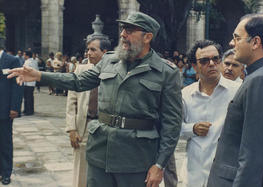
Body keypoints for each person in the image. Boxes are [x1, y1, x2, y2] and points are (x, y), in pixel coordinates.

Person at [8, 12, 182, 187]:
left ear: (147, 37)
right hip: (100, 153)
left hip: (136, 159)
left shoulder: (166, 72)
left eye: (129, 30)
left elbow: (172, 124)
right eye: (123, 29)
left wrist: (159, 165)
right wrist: (39, 75)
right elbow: (78, 81)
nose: (122, 34)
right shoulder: (109, 61)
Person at [207, 13, 263, 187]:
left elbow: (253, 155)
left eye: (237, 38)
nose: (232, 43)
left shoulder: (261, 81)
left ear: (255, 42)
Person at [181, 40, 240, 187]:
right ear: (195, 66)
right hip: (194, 172)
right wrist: (192, 129)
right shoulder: (185, 95)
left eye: (215, 58)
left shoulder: (238, 91)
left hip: (227, 174)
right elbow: (173, 128)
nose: (212, 63)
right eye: (205, 60)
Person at [65, 36, 110, 187]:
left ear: (105, 52)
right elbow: (72, 101)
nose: (88, 53)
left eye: (93, 50)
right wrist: (71, 128)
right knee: (81, 172)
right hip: (84, 127)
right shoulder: (81, 69)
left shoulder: (115, 71)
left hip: (106, 129)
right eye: (87, 49)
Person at [0, 46, 23, 185]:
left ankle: (6, 172)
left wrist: (15, 107)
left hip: (4, 109)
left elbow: (17, 85)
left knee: (5, 142)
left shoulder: (12, 60)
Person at [23, 50, 38, 115]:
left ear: (27, 55)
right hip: (32, 81)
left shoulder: (27, 62)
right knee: (30, 96)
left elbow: (25, 71)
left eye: (24, 55)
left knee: (27, 97)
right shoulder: (35, 61)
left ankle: (28, 110)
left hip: (27, 81)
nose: (23, 56)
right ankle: (29, 109)